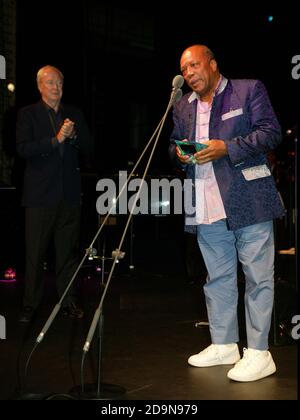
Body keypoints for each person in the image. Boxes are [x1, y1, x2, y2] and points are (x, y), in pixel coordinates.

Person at [169, 45, 285, 382]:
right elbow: (174, 145)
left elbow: (270, 133)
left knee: (257, 277)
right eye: (183, 68)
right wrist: (180, 154)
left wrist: (227, 148)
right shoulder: (181, 106)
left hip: (248, 199)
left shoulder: (248, 89)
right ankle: (224, 344)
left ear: (213, 64)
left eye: (194, 65)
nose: (189, 73)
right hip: (205, 203)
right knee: (217, 278)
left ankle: (260, 352)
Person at [17, 65, 92, 322]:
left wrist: (72, 137)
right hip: (39, 197)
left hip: (69, 197)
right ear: (40, 86)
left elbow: (89, 146)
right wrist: (56, 140)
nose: (56, 88)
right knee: (35, 253)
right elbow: (23, 149)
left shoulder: (74, 114)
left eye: (59, 83)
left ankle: (69, 301)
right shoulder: (28, 114)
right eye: (50, 83)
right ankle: (30, 305)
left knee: (67, 255)